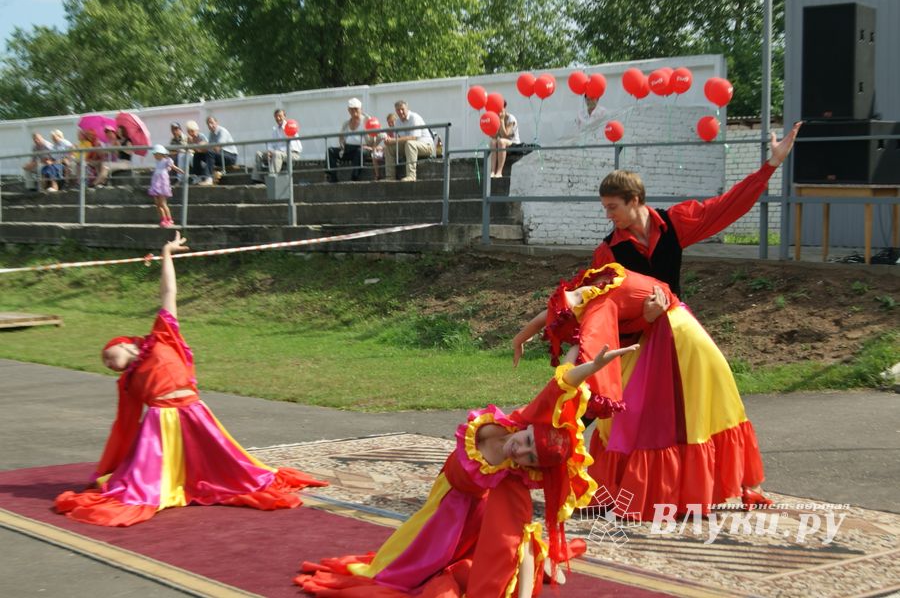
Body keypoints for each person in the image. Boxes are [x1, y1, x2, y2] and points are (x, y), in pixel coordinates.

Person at [295, 344, 636, 596]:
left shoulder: (512, 477)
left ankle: (541, 562)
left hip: (476, 506)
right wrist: (590, 366)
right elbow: (557, 388)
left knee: (508, 544)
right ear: (526, 428)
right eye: (527, 439)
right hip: (448, 498)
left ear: (531, 468)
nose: (522, 448)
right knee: (403, 564)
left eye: (529, 456)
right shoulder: (516, 422)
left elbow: (513, 539)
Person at [54, 231, 327, 527]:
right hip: (159, 424)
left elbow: (168, 293)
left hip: (193, 412)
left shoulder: (163, 337)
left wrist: (167, 254)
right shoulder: (127, 382)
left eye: (106, 355)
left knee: (229, 467)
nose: (107, 363)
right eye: (106, 365)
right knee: (141, 488)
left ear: (122, 343)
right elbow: (125, 425)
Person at [512, 263, 770, 520]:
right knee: (632, 420)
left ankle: (746, 486)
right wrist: (519, 339)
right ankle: (621, 489)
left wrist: (552, 401)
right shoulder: (586, 289)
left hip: (680, 340)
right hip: (651, 338)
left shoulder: (597, 309)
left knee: (703, 411)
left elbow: (581, 359)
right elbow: (553, 321)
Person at [590, 122, 802, 296]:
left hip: (674, 326)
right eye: (605, 207)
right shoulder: (607, 251)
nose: (608, 215)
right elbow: (596, 300)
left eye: (613, 207)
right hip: (632, 337)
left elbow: (727, 206)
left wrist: (772, 163)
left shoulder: (676, 222)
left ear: (634, 200)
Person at [326, 98, 377, 182]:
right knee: (330, 151)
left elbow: (379, 135)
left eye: (356, 109)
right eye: (351, 109)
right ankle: (332, 177)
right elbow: (341, 137)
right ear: (348, 110)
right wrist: (342, 145)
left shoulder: (367, 121)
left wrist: (372, 147)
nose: (354, 111)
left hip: (363, 148)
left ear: (361, 109)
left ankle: (354, 177)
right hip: (348, 149)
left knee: (360, 152)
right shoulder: (346, 123)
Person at [383, 100, 433, 182]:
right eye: (398, 110)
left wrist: (393, 140)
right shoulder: (398, 122)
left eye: (402, 109)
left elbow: (414, 137)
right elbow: (397, 140)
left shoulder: (414, 117)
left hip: (426, 145)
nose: (400, 112)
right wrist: (389, 141)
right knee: (389, 147)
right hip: (409, 146)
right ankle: (390, 177)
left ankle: (411, 176)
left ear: (407, 108)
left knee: (410, 143)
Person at [251, 108, 302, 183]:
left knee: (276, 154)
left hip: (292, 153)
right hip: (278, 152)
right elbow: (271, 144)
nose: (278, 118)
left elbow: (291, 146)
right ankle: (257, 179)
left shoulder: (290, 126)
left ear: (284, 116)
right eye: (276, 117)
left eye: (280, 116)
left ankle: (272, 178)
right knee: (259, 154)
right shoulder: (275, 130)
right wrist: (269, 151)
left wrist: (274, 151)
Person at [148, 144, 183, 228]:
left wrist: (180, 170)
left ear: (161, 153)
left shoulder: (166, 161)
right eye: (154, 154)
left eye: (156, 154)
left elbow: (173, 167)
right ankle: (163, 219)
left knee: (163, 203)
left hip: (162, 184)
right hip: (155, 184)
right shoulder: (157, 162)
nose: (154, 155)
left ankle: (169, 219)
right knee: (157, 204)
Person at [490, 101, 520, 179]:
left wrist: (502, 120)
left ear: (504, 108)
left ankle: (499, 172)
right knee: (493, 142)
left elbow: (505, 136)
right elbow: (494, 136)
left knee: (501, 141)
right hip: (503, 143)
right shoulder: (496, 118)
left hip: (513, 143)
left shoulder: (511, 119)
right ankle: (492, 171)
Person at [206, 116, 238, 182]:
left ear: (216, 123)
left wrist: (205, 147)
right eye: (208, 124)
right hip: (220, 155)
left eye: (211, 123)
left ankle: (209, 178)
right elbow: (210, 148)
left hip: (230, 156)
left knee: (209, 152)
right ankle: (198, 177)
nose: (210, 125)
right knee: (198, 155)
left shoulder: (222, 131)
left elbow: (217, 148)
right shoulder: (211, 134)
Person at [185, 120, 213, 185]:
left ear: (197, 130)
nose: (191, 133)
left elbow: (202, 148)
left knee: (196, 156)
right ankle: (197, 177)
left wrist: (193, 145)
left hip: (207, 155)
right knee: (195, 156)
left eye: (192, 131)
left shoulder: (201, 136)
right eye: (189, 131)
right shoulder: (190, 139)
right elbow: (192, 149)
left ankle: (207, 178)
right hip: (199, 155)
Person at [372, 112, 397, 181]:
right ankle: (377, 175)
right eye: (389, 122)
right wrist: (378, 148)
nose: (390, 124)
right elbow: (377, 143)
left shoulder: (398, 131)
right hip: (386, 150)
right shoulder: (387, 132)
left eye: (392, 122)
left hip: (395, 150)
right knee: (374, 155)